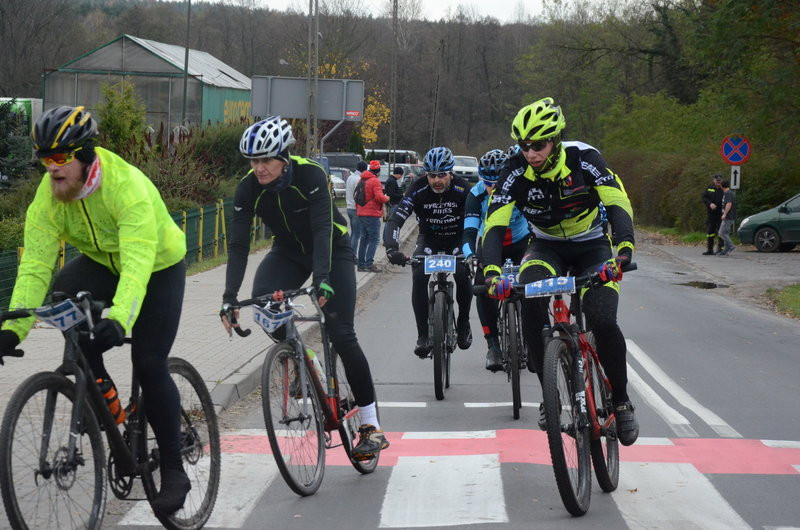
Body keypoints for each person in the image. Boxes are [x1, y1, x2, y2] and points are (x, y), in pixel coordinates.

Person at [0, 105, 191, 515]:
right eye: (45, 159)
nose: (51, 169)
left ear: (86, 155)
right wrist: (14, 328)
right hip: (102, 263)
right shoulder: (49, 197)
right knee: (61, 300)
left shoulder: (126, 187)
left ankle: (175, 470)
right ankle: (101, 391)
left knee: (149, 359)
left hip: (158, 265)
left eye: (60, 158)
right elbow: (35, 264)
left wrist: (119, 318)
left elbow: (139, 261)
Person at [221, 116, 388, 458]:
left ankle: (371, 426)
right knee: (265, 306)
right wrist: (229, 297)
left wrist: (322, 279)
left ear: (283, 156)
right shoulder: (248, 187)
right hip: (287, 252)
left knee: (342, 334)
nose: (259, 168)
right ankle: (302, 357)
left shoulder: (311, 174)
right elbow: (237, 246)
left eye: (266, 160)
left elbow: (323, 229)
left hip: (331, 249)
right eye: (253, 161)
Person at [482, 97, 639, 446]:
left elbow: (616, 200)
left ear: (555, 139)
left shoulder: (583, 157)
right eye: (524, 146)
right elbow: (494, 223)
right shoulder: (513, 170)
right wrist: (491, 272)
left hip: (593, 245)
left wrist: (624, 248)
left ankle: (622, 401)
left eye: (538, 145)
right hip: (545, 246)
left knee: (602, 319)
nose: (531, 153)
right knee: (527, 297)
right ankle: (548, 393)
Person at [383, 146, 473, 357]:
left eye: (442, 175)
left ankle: (464, 322)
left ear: (451, 172)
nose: (437, 181)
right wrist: (391, 247)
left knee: (462, 273)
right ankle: (423, 335)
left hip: (456, 239)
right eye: (432, 176)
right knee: (418, 275)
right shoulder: (417, 188)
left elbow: (475, 220)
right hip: (429, 240)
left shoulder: (463, 188)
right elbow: (396, 219)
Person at [462, 149, 530, 371]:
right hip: (491, 245)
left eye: (497, 182)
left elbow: (536, 221)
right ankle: (493, 346)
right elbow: (470, 231)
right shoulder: (476, 194)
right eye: (488, 183)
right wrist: (470, 254)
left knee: (532, 285)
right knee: (482, 288)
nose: (492, 188)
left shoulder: (521, 187)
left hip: (520, 241)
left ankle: (533, 338)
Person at [356, 160, 389, 273]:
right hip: (372, 214)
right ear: (378, 170)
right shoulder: (375, 181)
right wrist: (387, 198)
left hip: (361, 212)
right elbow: (379, 197)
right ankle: (369, 264)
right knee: (374, 239)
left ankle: (360, 265)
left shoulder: (362, 179)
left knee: (364, 239)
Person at [346, 160, 367, 255]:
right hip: (355, 209)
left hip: (349, 207)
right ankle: (353, 256)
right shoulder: (359, 179)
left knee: (353, 233)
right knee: (356, 234)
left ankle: (349, 253)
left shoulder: (350, 177)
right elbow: (359, 195)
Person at [702, 174, 724, 255]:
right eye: (716, 180)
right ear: (713, 180)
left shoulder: (724, 189)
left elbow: (728, 200)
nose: (718, 181)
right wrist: (710, 204)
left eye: (719, 180)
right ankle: (710, 249)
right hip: (711, 213)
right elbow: (704, 197)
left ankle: (721, 249)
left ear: (721, 181)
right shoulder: (709, 188)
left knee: (721, 231)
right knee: (710, 231)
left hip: (721, 214)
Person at [718, 179, 736, 255]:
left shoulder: (728, 193)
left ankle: (731, 246)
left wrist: (725, 214)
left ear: (722, 186)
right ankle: (726, 250)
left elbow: (729, 204)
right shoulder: (729, 193)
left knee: (721, 233)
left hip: (728, 217)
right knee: (726, 233)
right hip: (729, 217)